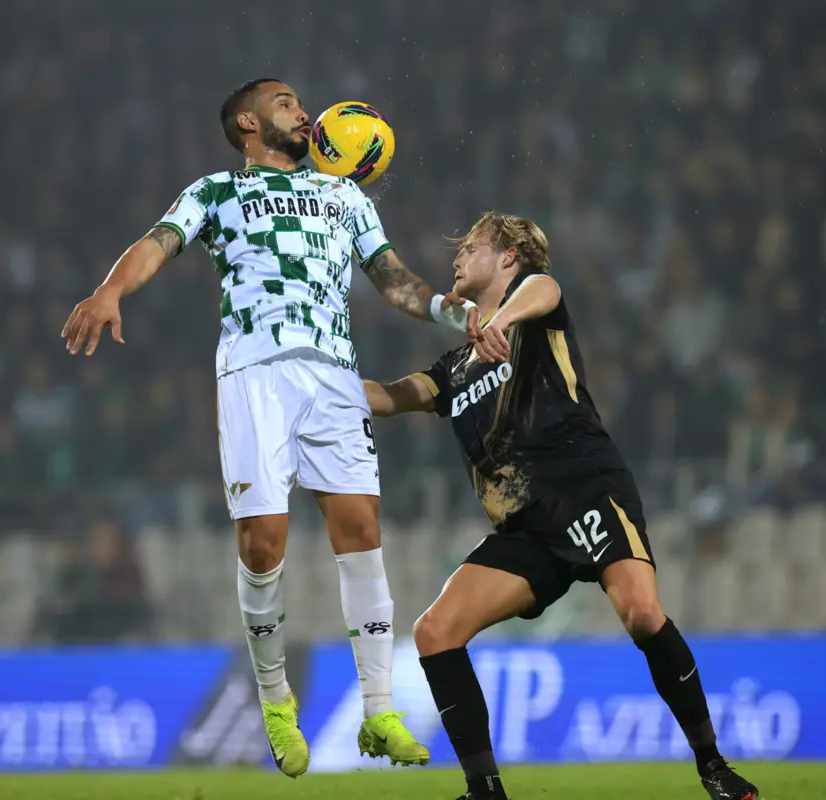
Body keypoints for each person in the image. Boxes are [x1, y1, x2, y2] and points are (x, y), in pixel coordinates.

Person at [61, 77, 477, 778]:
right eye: (286, 101)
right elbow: (157, 244)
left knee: (362, 532)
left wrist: (450, 312)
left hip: (335, 375)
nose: (303, 109)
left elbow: (394, 280)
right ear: (248, 123)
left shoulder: (346, 197)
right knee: (263, 541)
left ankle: (378, 710)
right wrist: (110, 289)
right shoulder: (217, 192)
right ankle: (276, 701)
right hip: (256, 370)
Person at [363, 212, 761, 800]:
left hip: (584, 488)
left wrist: (498, 319)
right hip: (524, 528)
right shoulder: (455, 365)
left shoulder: (534, 308)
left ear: (508, 259)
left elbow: (544, 286)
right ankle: (485, 790)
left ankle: (713, 767)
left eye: (471, 247)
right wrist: (313, 385)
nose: (455, 259)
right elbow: (391, 398)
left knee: (642, 614)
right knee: (434, 632)